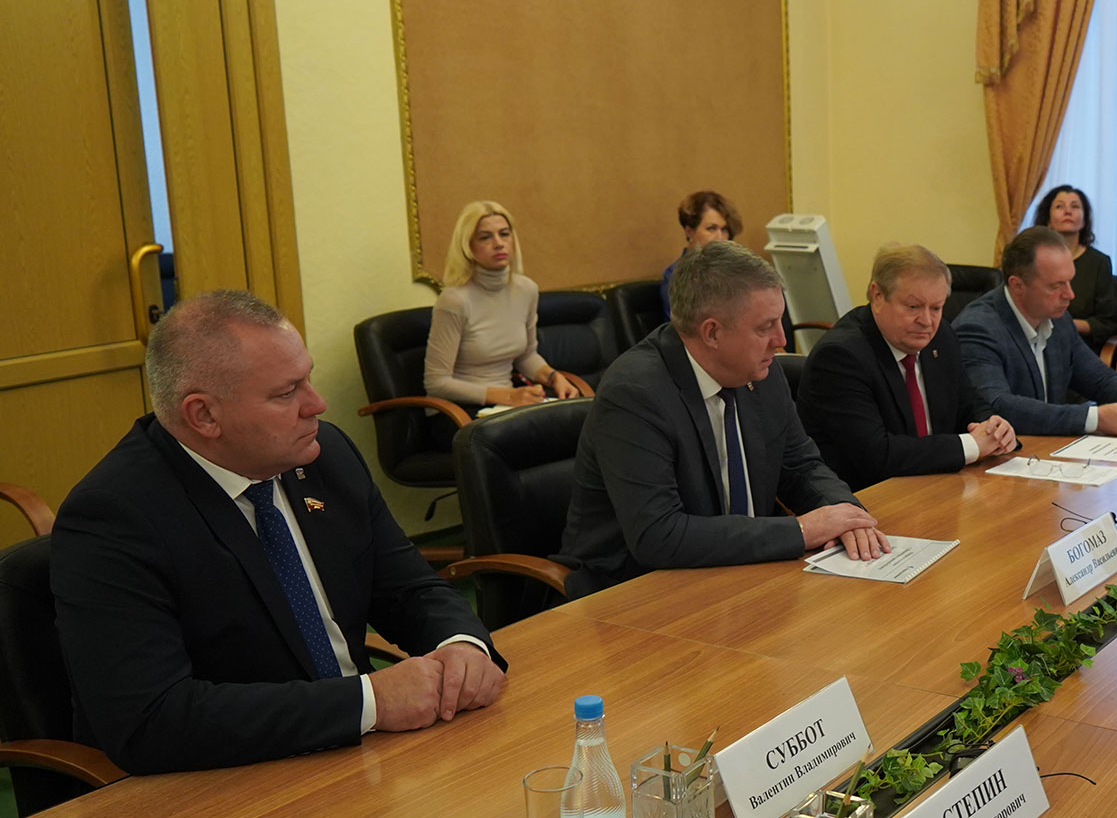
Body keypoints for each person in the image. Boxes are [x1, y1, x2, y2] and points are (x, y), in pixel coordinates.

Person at [51, 291, 506, 776]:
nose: (317, 404)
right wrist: (369, 701)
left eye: (307, 378)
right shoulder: (113, 517)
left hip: (364, 756)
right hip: (231, 780)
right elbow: (153, 720)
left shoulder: (323, 453)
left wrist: (461, 644)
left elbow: (408, 587)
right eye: (286, 393)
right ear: (204, 415)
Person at [557, 240, 886, 597]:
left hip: (737, 574)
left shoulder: (760, 372)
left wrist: (846, 514)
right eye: (765, 327)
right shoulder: (635, 394)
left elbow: (800, 466)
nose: (780, 340)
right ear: (712, 332)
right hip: (635, 593)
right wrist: (802, 531)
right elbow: (659, 535)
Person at [798, 243, 1017, 491]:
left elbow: (968, 403)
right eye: (913, 307)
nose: (927, 321)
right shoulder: (840, 357)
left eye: (936, 308)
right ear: (877, 296)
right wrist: (973, 445)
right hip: (871, 499)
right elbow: (878, 456)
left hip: (937, 486)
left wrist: (994, 428)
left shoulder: (940, 337)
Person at [955, 227, 1117, 437]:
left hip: (1049, 450)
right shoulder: (978, 329)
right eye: (1056, 285)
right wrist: (1093, 418)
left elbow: (1098, 378)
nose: (1070, 295)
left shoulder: (1057, 318)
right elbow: (998, 407)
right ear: (1018, 285)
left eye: (1070, 281)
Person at [424, 200, 578, 408]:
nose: (498, 243)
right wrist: (508, 396)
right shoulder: (454, 300)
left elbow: (526, 356)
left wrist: (554, 377)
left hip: (507, 405)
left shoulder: (526, 289)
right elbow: (436, 383)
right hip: (460, 408)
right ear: (467, 246)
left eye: (504, 234)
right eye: (485, 237)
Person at [1032, 184, 1117, 355]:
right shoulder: (1033, 259)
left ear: (1084, 220)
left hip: (1077, 348)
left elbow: (1107, 323)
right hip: (1033, 342)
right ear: (1048, 220)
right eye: (1059, 206)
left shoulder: (1099, 263)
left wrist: (1065, 325)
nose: (1068, 211)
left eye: (1075, 206)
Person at [662, 189, 742, 308]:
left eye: (724, 229)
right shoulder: (676, 276)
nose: (720, 237)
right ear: (689, 231)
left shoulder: (736, 270)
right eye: (711, 228)